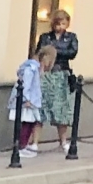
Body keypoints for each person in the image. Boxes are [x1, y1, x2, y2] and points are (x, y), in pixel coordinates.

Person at [45, 9, 81, 157]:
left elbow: (72, 52)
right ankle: (32, 142)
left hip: (63, 72)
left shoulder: (71, 37)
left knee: (63, 109)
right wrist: (56, 51)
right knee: (43, 108)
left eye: (63, 23)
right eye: (58, 23)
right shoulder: (46, 37)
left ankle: (63, 141)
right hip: (48, 72)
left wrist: (54, 51)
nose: (60, 27)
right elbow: (42, 51)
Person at [9, 38, 48, 165]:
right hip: (28, 102)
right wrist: (26, 99)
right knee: (26, 124)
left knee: (30, 124)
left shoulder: (33, 68)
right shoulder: (30, 69)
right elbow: (25, 85)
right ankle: (21, 146)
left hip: (32, 101)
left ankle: (22, 145)